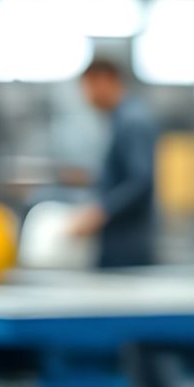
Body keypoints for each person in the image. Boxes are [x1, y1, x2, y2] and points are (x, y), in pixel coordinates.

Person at [69, 58, 158, 268]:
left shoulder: (132, 120)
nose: (86, 96)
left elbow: (141, 181)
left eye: (89, 86)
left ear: (105, 80)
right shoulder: (121, 119)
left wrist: (100, 212)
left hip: (128, 244)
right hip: (119, 241)